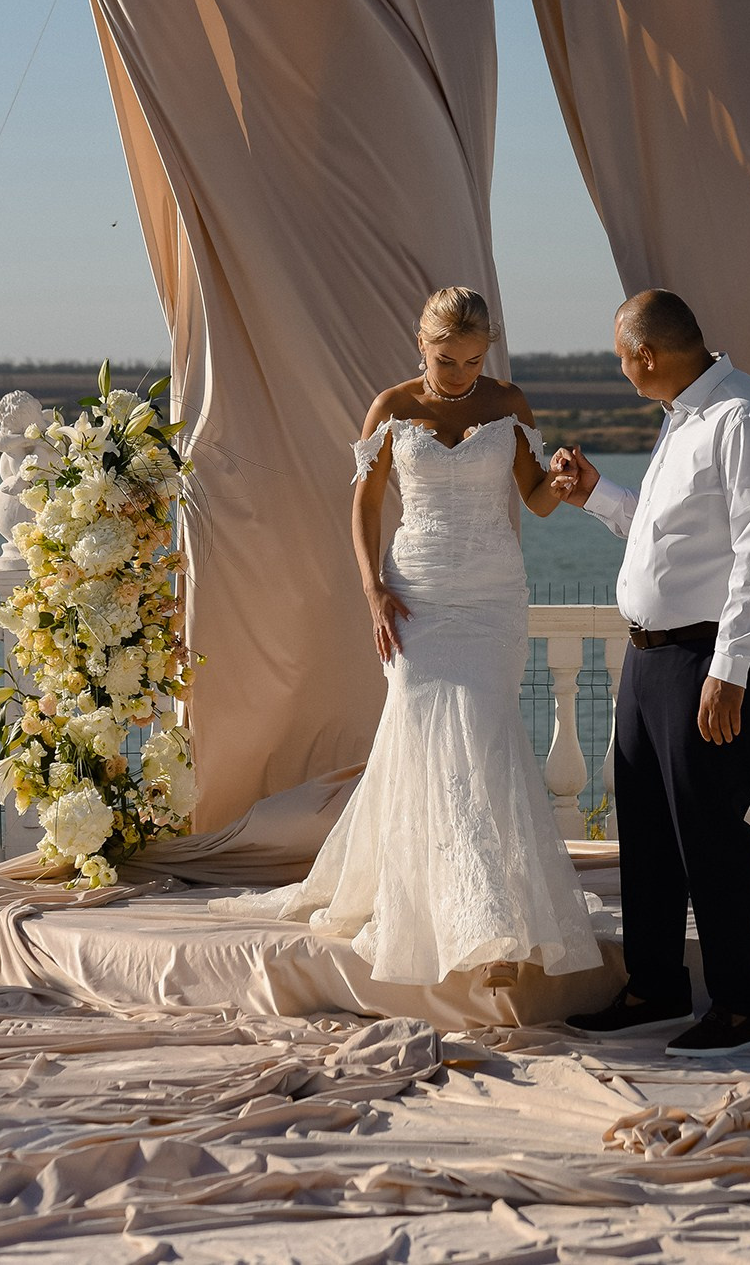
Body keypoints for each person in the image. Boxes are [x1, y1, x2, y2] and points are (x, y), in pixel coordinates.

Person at [212, 286, 601, 990]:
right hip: (415, 592)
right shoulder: (392, 409)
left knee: (483, 735)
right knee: (423, 732)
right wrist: (372, 590)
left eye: (474, 360)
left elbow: (535, 502)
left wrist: (564, 483)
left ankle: (497, 921)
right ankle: (446, 909)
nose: (461, 375)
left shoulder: (507, 404)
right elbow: (362, 502)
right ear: (421, 346)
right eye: (448, 360)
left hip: (491, 594)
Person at [552, 290, 750, 1056]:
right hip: (650, 656)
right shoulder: (683, 417)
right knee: (648, 832)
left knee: (710, 834)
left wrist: (728, 668)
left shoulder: (744, 417)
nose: (621, 370)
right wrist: (597, 497)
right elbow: (667, 540)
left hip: (707, 657)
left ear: (647, 355)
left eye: (622, 357)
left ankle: (736, 1005)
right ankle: (654, 983)